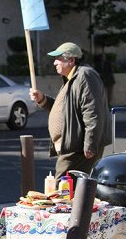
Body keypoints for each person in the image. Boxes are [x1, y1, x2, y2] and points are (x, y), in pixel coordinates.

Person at [29, 42, 111, 178]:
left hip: (78, 148)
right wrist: (42, 99)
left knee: (62, 189)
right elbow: (65, 110)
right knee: (69, 190)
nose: (55, 63)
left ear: (71, 60)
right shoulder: (73, 77)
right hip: (73, 146)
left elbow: (93, 112)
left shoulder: (84, 76)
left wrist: (90, 144)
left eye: (58, 58)